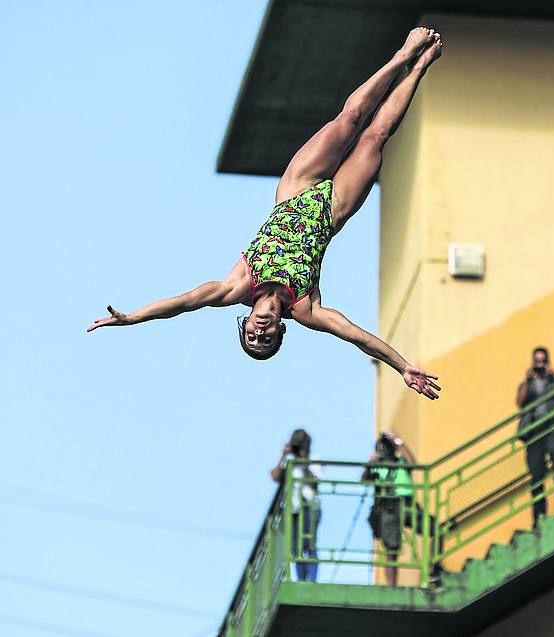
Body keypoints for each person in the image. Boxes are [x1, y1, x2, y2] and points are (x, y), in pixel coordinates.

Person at [86, 28, 443, 401]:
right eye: (266, 340)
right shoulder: (306, 309)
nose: (260, 332)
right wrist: (402, 366)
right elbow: (357, 336)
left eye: (252, 337)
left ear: (244, 325)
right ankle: (419, 69)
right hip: (334, 208)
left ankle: (403, 56)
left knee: (350, 118)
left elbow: (183, 302)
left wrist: (132, 318)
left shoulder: (237, 287)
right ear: (279, 331)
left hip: (296, 188)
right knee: (375, 136)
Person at [363, 430, 442, 586]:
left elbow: (412, 462)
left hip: (407, 505)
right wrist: (369, 465)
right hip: (388, 507)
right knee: (391, 548)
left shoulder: (401, 463)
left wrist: (399, 441)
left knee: (435, 529)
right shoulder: (377, 466)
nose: (384, 450)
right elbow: (365, 480)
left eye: (387, 446)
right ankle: (392, 586)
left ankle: (434, 569)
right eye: (381, 447)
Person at [516, 347, 554, 528]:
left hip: (553, 427)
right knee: (536, 472)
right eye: (536, 362)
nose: (539, 365)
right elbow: (519, 401)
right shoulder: (528, 384)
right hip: (534, 431)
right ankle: (539, 516)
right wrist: (527, 379)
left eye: (542, 361)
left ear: (547, 362)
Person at [271, 429, 321, 582]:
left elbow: (315, 480)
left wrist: (303, 460)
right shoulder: (289, 462)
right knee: (295, 548)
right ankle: (301, 578)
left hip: (310, 506)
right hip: (293, 509)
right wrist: (284, 455)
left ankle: (311, 579)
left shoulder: (314, 460)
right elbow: (275, 476)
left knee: (309, 544)